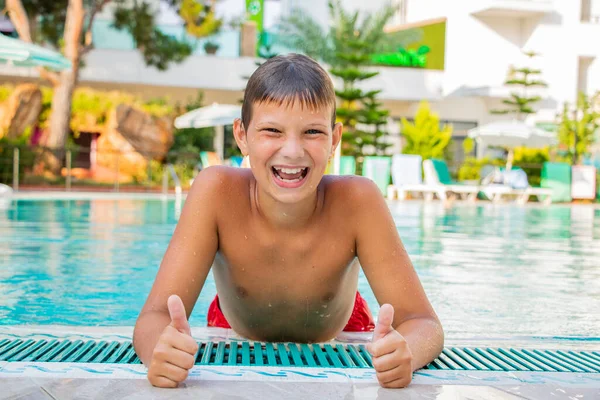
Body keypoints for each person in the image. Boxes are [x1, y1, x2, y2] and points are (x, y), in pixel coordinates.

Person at [133, 53, 444, 389]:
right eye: (272, 131)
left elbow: (423, 323)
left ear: (334, 139)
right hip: (232, 322)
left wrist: (405, 353)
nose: (293, 151)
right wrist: (159, 350)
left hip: (344, 325)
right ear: (242, 136)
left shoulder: (359, 201)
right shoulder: (216, 193)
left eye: (312, 131)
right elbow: (152, 319)